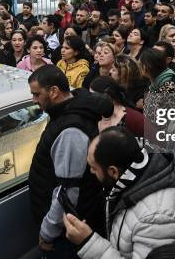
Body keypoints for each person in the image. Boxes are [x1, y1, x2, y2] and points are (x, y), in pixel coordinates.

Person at [63, 126, 175, 258]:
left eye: (94, 167)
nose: (91, 172)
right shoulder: (132, 178)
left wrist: (88, 242)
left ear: (113, 172)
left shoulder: (157, 218)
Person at [27, 65, 113, 258]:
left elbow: (67, 191)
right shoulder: (69, 107)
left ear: (54, 91)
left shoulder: (71, 130)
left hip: (66, 230)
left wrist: (48, 232)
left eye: (36, 94)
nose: (34, 100)